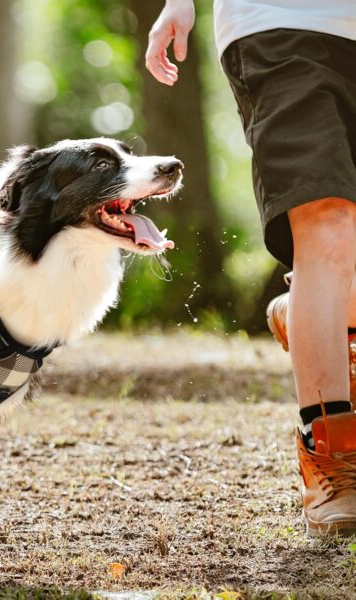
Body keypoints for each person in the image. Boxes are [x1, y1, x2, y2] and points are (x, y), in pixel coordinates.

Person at [145, 0, 356, 536]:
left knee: (341, 253)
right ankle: (332, 459)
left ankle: (314, 307)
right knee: (327, 222)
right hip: (281, 24)